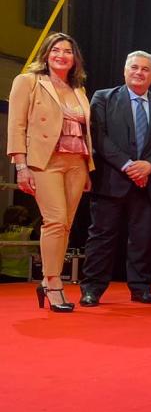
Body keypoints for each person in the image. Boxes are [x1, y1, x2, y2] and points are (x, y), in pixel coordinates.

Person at [80, 51, 151, 306]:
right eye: (134, 67)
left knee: (143, 238)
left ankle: (141, 288)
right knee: (101, 237)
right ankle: (92, 289)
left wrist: (149, 165)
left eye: (145, 69)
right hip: (111, 181)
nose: (139, 72)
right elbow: (98, 137)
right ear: (125, 71)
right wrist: (129, 166)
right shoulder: (103, 98)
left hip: (150, 182)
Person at [7, 33, 93, 311]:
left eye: (68, 51)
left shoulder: (79, 89)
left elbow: (84, 132)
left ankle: (48, 279)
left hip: (77, 162)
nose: (61, 55)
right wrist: (21, 166)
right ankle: (53, 282)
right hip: (45, 161)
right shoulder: (28, 81)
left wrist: (87, 168)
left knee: (65, 224)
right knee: (54, 220)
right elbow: (16, 125)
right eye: (56, 50)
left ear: (75, 59)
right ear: (46, 54)